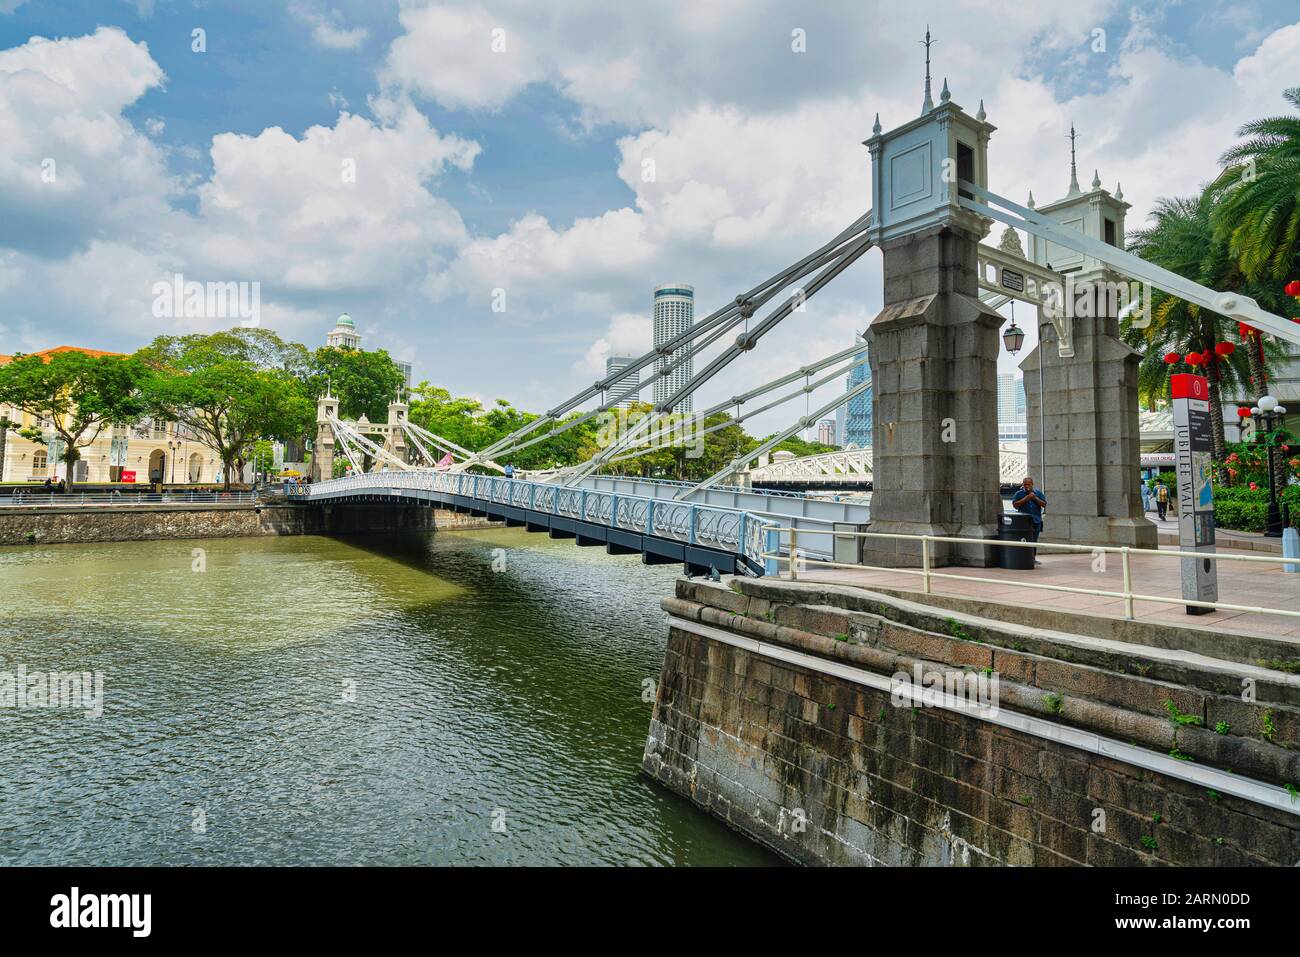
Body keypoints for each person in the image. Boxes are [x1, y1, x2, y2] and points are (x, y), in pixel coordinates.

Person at [1011, 476, 1047, 566]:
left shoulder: (1038, 493)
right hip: (1023, 522)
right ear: (1023, 485)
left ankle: (1033, 558)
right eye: (1025, 484)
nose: (1027, 486)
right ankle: (1023, 558)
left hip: (1036, 521)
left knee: (1034, 540)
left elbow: (1044, 504)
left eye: (1029, 484)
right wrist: (1026, 498)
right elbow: (1015, 505)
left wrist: (1035, 498)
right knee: (1023, 540)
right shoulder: (1018, 494)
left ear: (1032, 484)